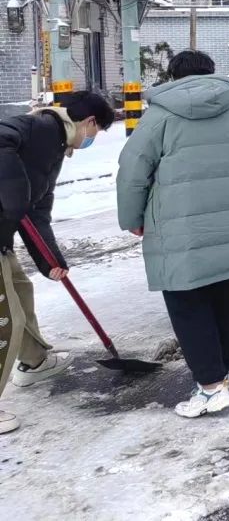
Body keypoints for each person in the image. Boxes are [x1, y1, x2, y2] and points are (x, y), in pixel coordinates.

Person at [116, 51, 229, 418]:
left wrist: (132, 218)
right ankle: (220, 374)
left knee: (187, 307)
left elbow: (132, 171)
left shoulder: (160, 115)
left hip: (180, 229)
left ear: (173, 76)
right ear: (211, 73)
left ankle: (210, 387)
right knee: (222, 302)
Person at [0, 90, 115, 434]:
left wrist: (51, 260)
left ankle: (34, 362)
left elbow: (37, 211)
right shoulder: (39, 128)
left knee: (20, 290)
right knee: (6, 317)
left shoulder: (55, 146)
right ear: (89, 121)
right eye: (97, 131)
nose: (93, 139)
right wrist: (13, 191)